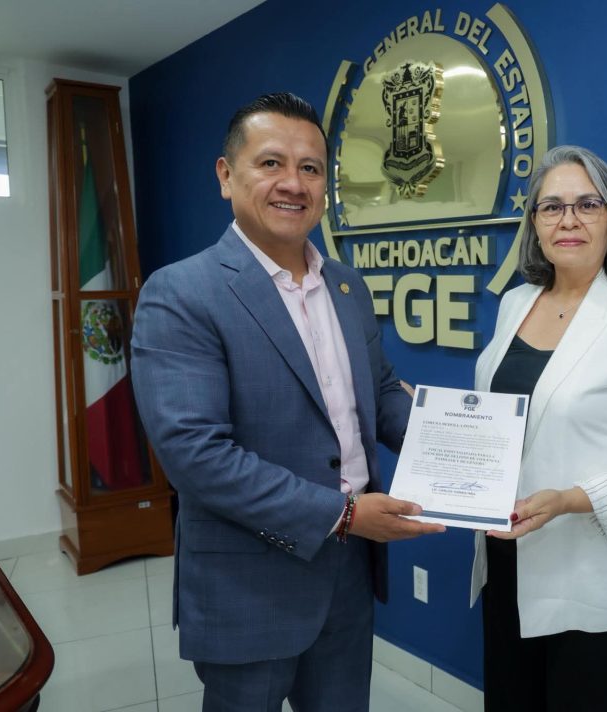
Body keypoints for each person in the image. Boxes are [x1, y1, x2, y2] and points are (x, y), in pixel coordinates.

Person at [130, 92, 444, 712]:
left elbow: (380, 393)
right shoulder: (181, 293)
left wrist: (465, 450)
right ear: (227, 176)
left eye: (310, 168)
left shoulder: (347, 286)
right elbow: (196, 456)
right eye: (271, 163)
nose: (293, 184)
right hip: (248, 582)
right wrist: (345, 514)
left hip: (349, 576)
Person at [471, 145, 607, 711]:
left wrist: (569, 499)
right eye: (551, 207)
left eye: (587, 205)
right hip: (506, 560)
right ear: (534, 224)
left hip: (592, 573)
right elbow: (506, 417)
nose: (567, 220)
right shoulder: (515, 303)